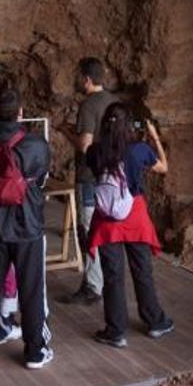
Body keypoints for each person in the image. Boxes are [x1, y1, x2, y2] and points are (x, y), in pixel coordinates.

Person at [0, 88, 52, 370]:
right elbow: (42, 178)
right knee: (31, 290)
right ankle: (34, 353)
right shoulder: (36, 144)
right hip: (26, 224)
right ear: (20, 112)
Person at [86, 103, 174, 348]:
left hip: (107, 220)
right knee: (142, 269)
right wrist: (153, 136)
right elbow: (163, 168)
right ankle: (155, 322)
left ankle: (116, 331)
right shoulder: (139, 150)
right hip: (134, 215)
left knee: (113, 276)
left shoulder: (94, 151)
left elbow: (96, 169)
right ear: (129, 125)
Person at [58, 57, 118, 306]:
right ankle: (105, 279)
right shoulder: (114, 101)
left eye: (78, 76)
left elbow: (85, 145)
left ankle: (93, 285)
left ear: (86, 79)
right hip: (111, 175)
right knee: (106, 229)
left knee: (89, 229)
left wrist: (66, 131)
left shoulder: (89, 105)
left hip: (90, 176)